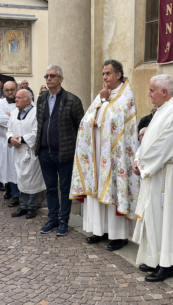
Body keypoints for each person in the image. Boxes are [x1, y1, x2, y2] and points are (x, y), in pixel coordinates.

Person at [71, 59, 139, 250]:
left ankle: (118, 236)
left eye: (108, 74)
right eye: (103, 74)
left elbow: (113, 121)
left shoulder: (126, 97)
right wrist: (101, 101)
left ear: (118, 75)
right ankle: (100, 231)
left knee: (113, 190)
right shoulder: (102, 95)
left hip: (114, 156)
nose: (104, 77)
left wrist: (103, 103)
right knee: (98, 189)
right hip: (97, 153)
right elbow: (87, 121)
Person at [132, 74, 173, 282]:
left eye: (151, 90)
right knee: (152, 216)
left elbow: (164, 146)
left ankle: (167, 264)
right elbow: (148, 140)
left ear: (163, 92)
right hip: (154, 172)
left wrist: (143, 165)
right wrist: (138, 159)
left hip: (166, 175)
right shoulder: (162, 111)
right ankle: (153, 257)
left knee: (166, 219)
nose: (148, 94)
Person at [36, 64, 84, 236]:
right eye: (46, 76)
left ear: (61, 79)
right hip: (44, 152)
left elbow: (81, 127)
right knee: (50, 188)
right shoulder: (41, 99)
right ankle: (52, 218)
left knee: (64, 188)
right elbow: (40, 123)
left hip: (64, 153)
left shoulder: (72, 100)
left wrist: (76, 151)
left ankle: (64, 221)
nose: (49, 78)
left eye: (52, 76)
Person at [7, 89, 45, 219]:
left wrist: (21, 139)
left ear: (27, 100)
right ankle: (23, 206)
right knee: (21, 178)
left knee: (31, 180)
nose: (16, 99)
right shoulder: (13, 114)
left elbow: (37, 132)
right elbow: (9, 130)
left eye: (19, 97)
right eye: (16, 97)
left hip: (30, 151)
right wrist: (10, 139)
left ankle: (32, 207)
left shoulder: (36, 113)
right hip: (18, 151)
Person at [0, 81, 19, 205]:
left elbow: (26, 118)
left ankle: (19, 194)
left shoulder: (23, 101)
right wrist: (15, 116)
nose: (10, 92)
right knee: (7, 168)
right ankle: (12, 192)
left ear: (16, 89)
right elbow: (0, 119)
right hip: (5, 141)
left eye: (12, 89)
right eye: (7, 90)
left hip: (19, 141)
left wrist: (9, 116)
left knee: (17, 169)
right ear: (3, 91)